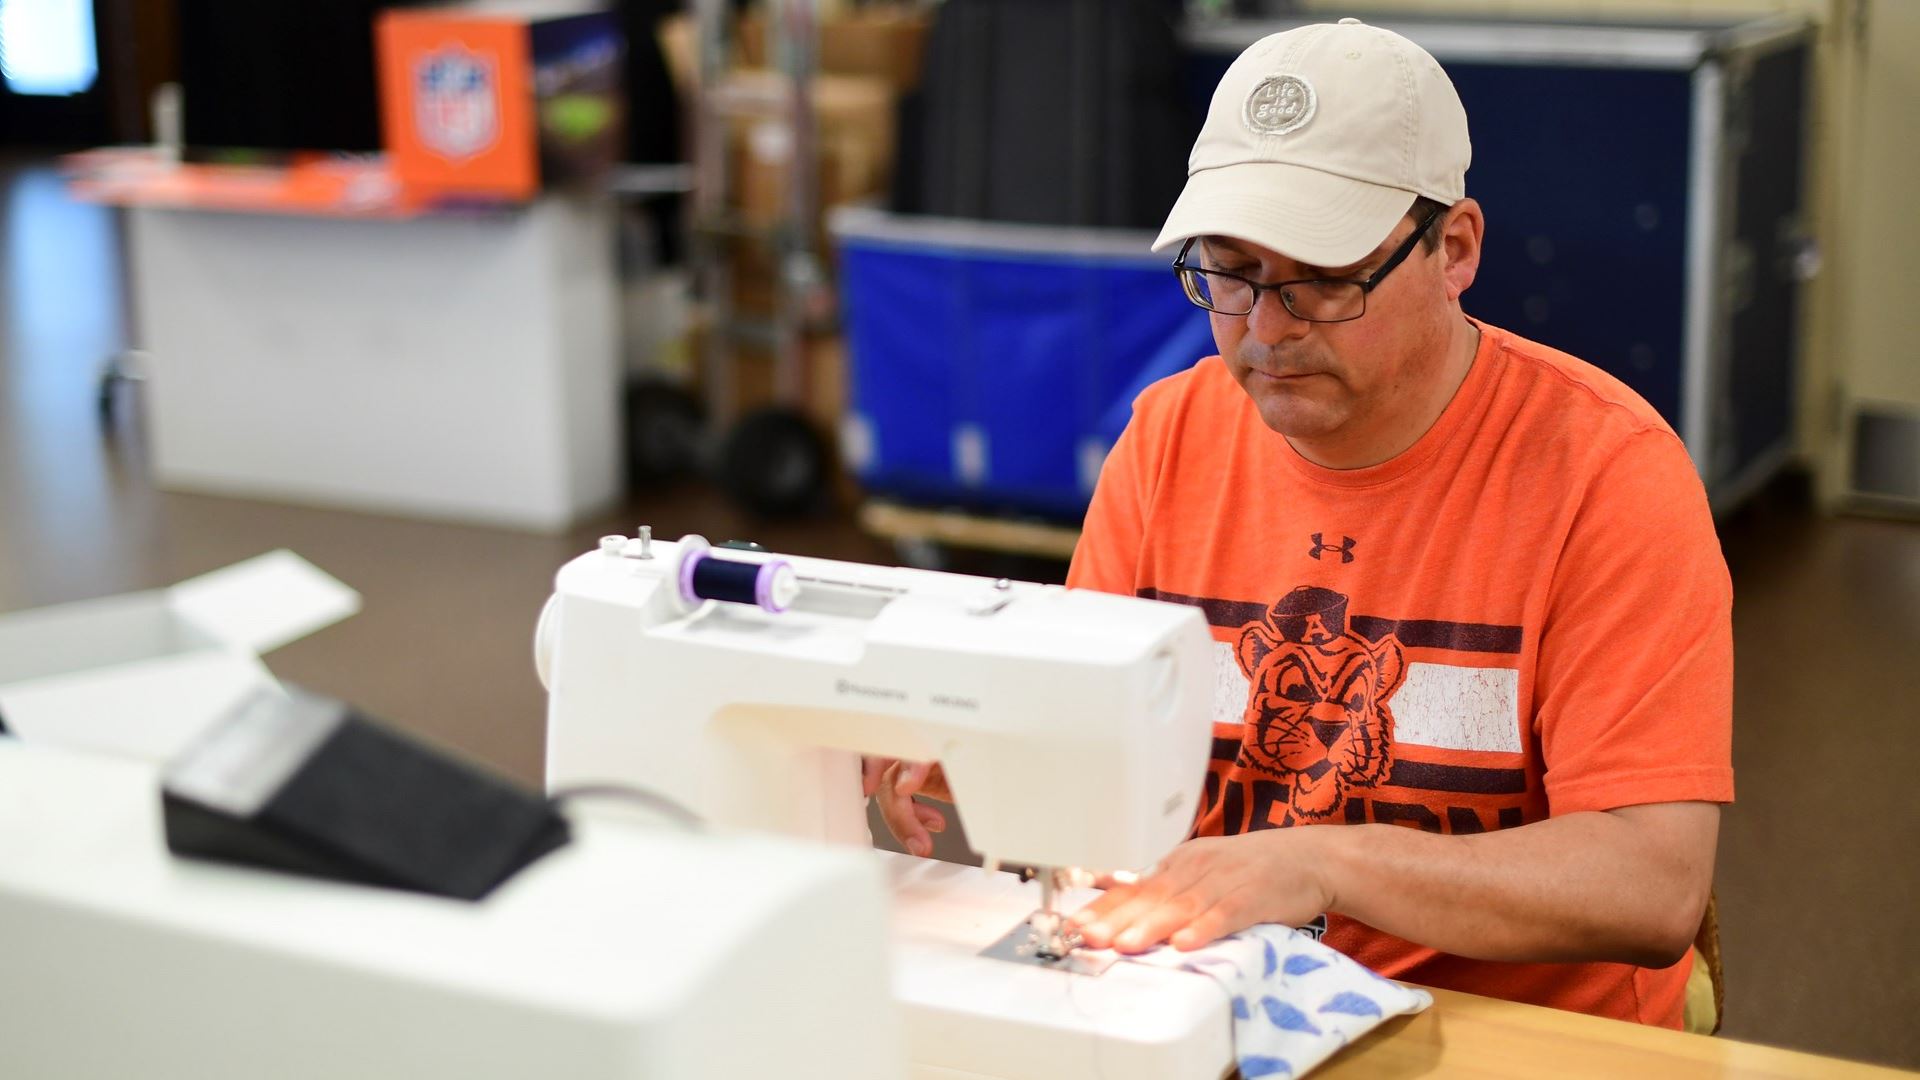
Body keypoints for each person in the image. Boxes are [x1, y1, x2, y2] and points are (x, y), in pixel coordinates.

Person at [872, 18, 1731, 1031]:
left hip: (1510, 1028)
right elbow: (1087, 739)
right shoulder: (1167, 441)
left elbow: (1650, 886)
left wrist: (1321, 865)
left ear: (1454, 249)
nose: (1268, 331)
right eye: (1229, 274)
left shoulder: (1607, 475)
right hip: (1225, 992)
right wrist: (973, 735)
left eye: (1322, 279)